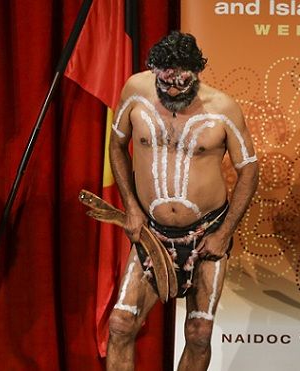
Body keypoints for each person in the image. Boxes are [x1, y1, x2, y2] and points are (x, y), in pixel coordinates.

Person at [105, 31, 259, 371]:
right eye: (165, 83)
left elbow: (249, 170)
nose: (172, 90)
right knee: (120, 324)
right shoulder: (135, 91)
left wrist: (225, 232)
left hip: (206, 235)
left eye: (181, 84)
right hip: (152, 234)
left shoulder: (223, 109)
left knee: (199, 332)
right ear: (154, 72)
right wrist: (130, 205)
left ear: (196, 73)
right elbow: (117, 146)